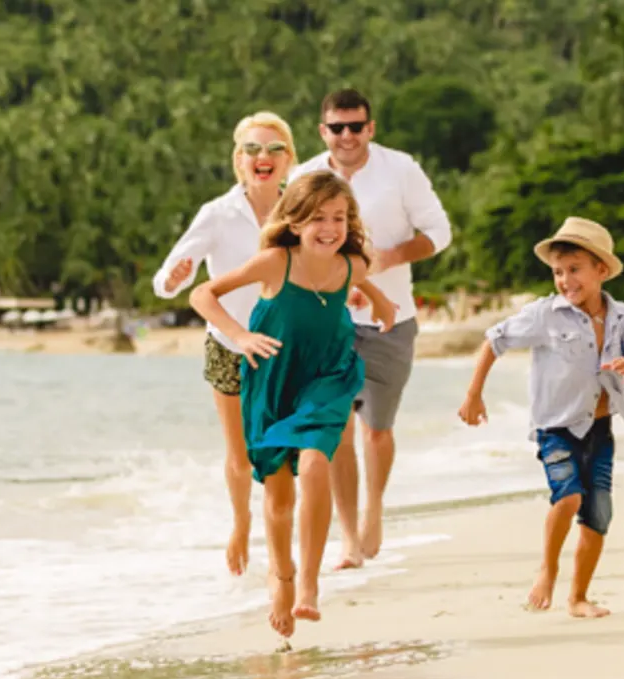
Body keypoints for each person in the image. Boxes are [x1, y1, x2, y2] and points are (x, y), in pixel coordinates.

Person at [189, 171, 397, 638]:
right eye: (319, 218)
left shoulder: (349, 265)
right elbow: (202, 294)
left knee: (317, 463)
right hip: (274, 381)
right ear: (296, 221)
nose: (330, 228)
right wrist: (240, 336)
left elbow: (363, 277)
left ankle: (308, 583)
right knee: (280, 499)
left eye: (340, 218)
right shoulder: (275, 262)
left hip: (328, 378)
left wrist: (382, 304)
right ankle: (281, 574)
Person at [457, 217, 624, 619]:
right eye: (558, 272)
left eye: (574, 269)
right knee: (568, 496)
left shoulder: (622, 317)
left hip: (600, 429)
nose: (565, 280)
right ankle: (547, 569)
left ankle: (578, 598)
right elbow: (494, 340)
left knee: (598, 517)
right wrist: (473, 394)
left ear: (601, 270)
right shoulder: (544, 314)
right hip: (556, 429)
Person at [286, 88, 453, 569]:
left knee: (376, 429)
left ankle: (373, 510)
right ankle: (348, 539)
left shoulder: (401, 169)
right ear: (323, 131)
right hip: (326, 321)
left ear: (370, 128)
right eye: (337, 127)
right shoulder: (303, 177)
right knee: (336, 428)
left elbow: (439, 233)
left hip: (390, 319)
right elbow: (287, 241)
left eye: (356, 126)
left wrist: (389, 257)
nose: (347, 136)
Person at [152, 111, 298, 576]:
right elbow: (169, 278)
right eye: (252, 149)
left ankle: (281, 555)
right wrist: (173, 277)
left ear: (289, 159)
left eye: (274, 149)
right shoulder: (216, 213)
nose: (263, 156)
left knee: (277, 454)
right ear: (239, 160)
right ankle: (241, 522)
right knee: (239, 454)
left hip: (283, 348)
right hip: (228, 345)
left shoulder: (300, 209)